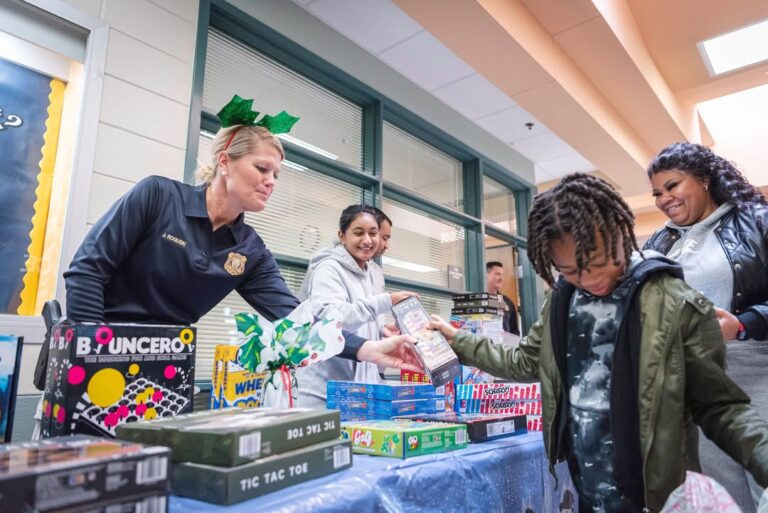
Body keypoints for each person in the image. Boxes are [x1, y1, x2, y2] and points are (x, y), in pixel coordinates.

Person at [428, 173, 768, 512]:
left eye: (600, 263)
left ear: (622, 236)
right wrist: (458, 340)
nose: (591, 280)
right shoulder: (561, 301)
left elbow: (720, 406)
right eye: (571, 271)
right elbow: (526, 362)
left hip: (658, 495)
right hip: (587, 489)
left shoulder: (672, 300)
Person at [61, 95, 420, 375]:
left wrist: (362, 349)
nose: (271, 182)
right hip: (95, 348)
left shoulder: (250, 250)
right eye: (262, 168)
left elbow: (297, 319)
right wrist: (96, 352)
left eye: (277, 175)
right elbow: (87, 272)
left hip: (166, 361)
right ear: (224, 162)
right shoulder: (157, 196)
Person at [644, 142, 768, 511]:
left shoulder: (757, 221)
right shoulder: (657, 244)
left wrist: (743, 324)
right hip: (692, 382)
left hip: (754, 374)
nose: (664, 198)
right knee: (718, 494)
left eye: (673, 186)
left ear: (704, 179)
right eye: (656, 192)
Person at [296, 205, 416, 408]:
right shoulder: (328, 269)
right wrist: (387, 301)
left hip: (357, 391)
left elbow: (359, 319)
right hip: (323, 393)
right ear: (342, 236)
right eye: (359, 233)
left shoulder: (369, 271)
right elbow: (331, 319)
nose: (368, 241)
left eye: (373, 233)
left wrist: (382, 331)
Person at [486, 261, 520, 335]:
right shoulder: (478, 299)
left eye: (503, 275)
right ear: (486, 275)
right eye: (497, 274)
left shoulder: (507, 302)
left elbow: (514, 330)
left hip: (504, 345)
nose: (501, 278)